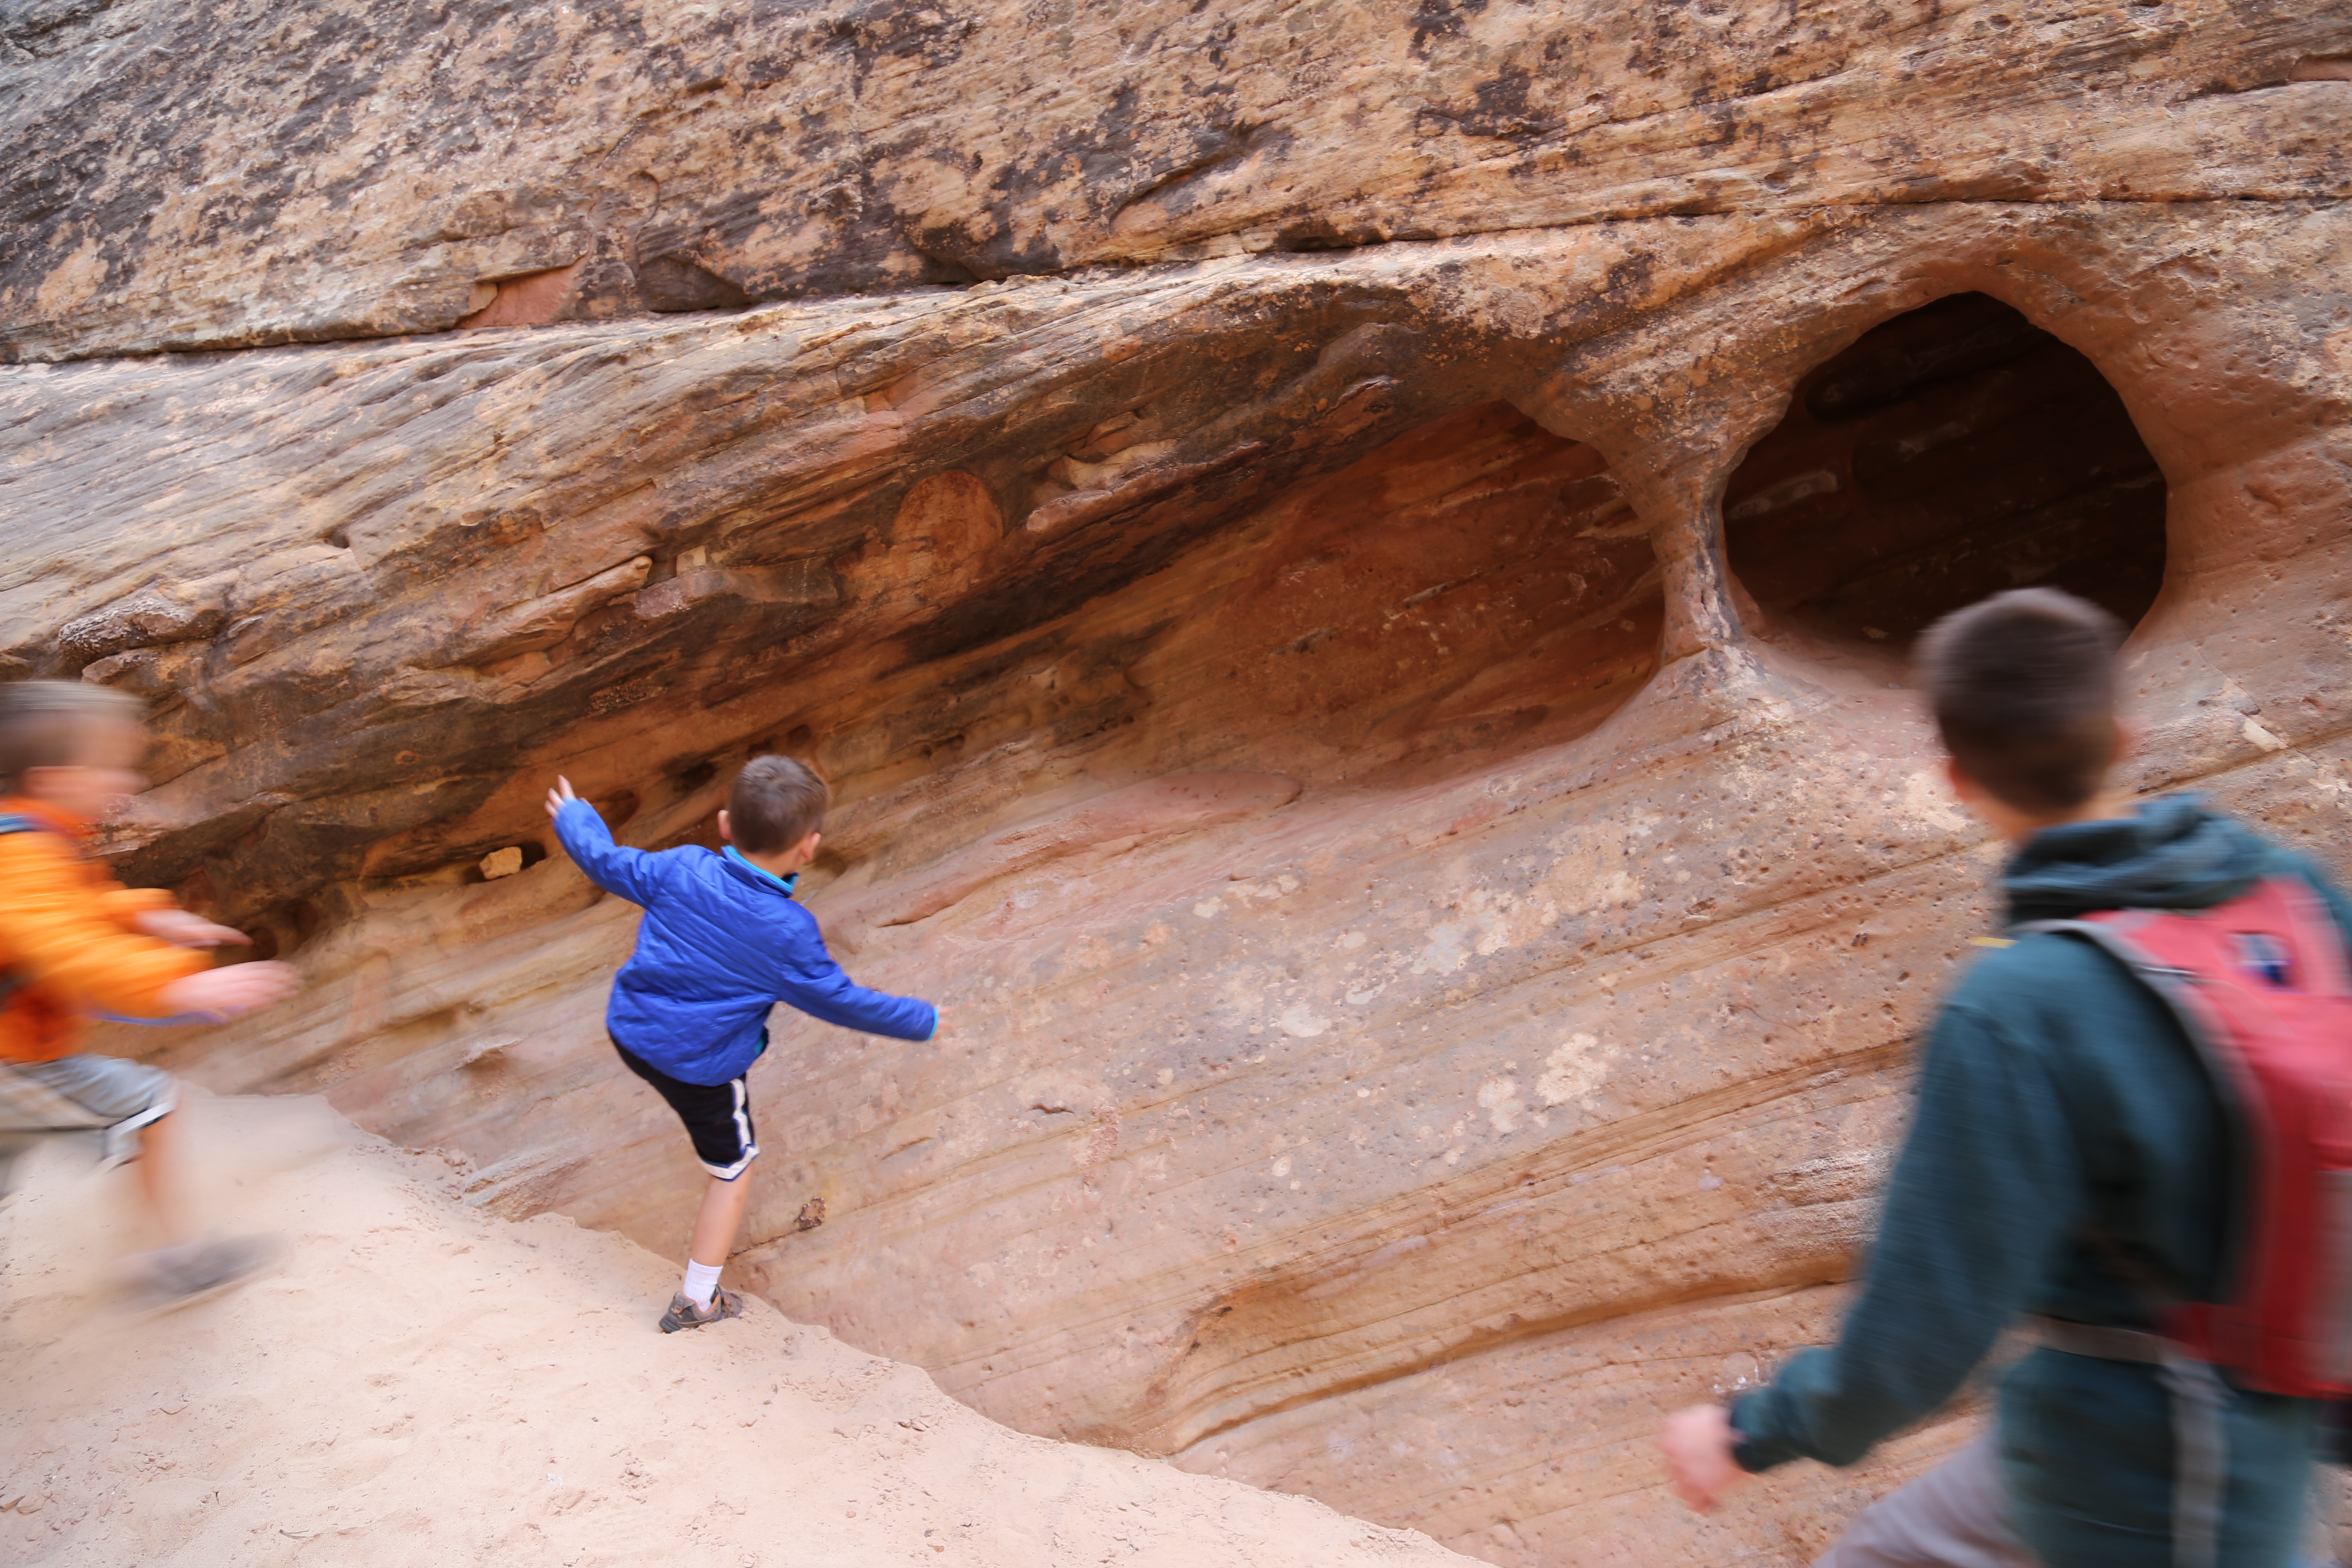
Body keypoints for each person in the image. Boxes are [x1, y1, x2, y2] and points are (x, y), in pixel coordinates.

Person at [1658, 588, 2350, 1567]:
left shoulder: (2023, 1007)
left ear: (1954, 779)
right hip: (2176, 1432)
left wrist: (1744, 1432)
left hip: (2157, 1481)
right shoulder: (2293, 902)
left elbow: (1920, 1340)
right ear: (2125, 737)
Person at [547, 754, 940, 1333]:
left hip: (632, 1030)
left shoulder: (681, 867)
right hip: (699, 1067)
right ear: (810, 846)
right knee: (733, 1170)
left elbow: (605, 863)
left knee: (688, 1085)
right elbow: (842, 1000)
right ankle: (698, 1300)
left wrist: (575, 817)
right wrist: (922, 1019)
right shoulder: (788, 931)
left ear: (726, 824)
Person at [0, 680, 300, 1307]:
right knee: (150, 1106)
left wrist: (147, 916)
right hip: (12, 1062)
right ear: (55, 779)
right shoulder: (24, 854)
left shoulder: (29, 837)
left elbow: (76, 907)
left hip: (21, 1050)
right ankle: (172, 1265)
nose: (126, 783)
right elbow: (69, 950)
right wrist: (178, 985)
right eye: (110, 766)